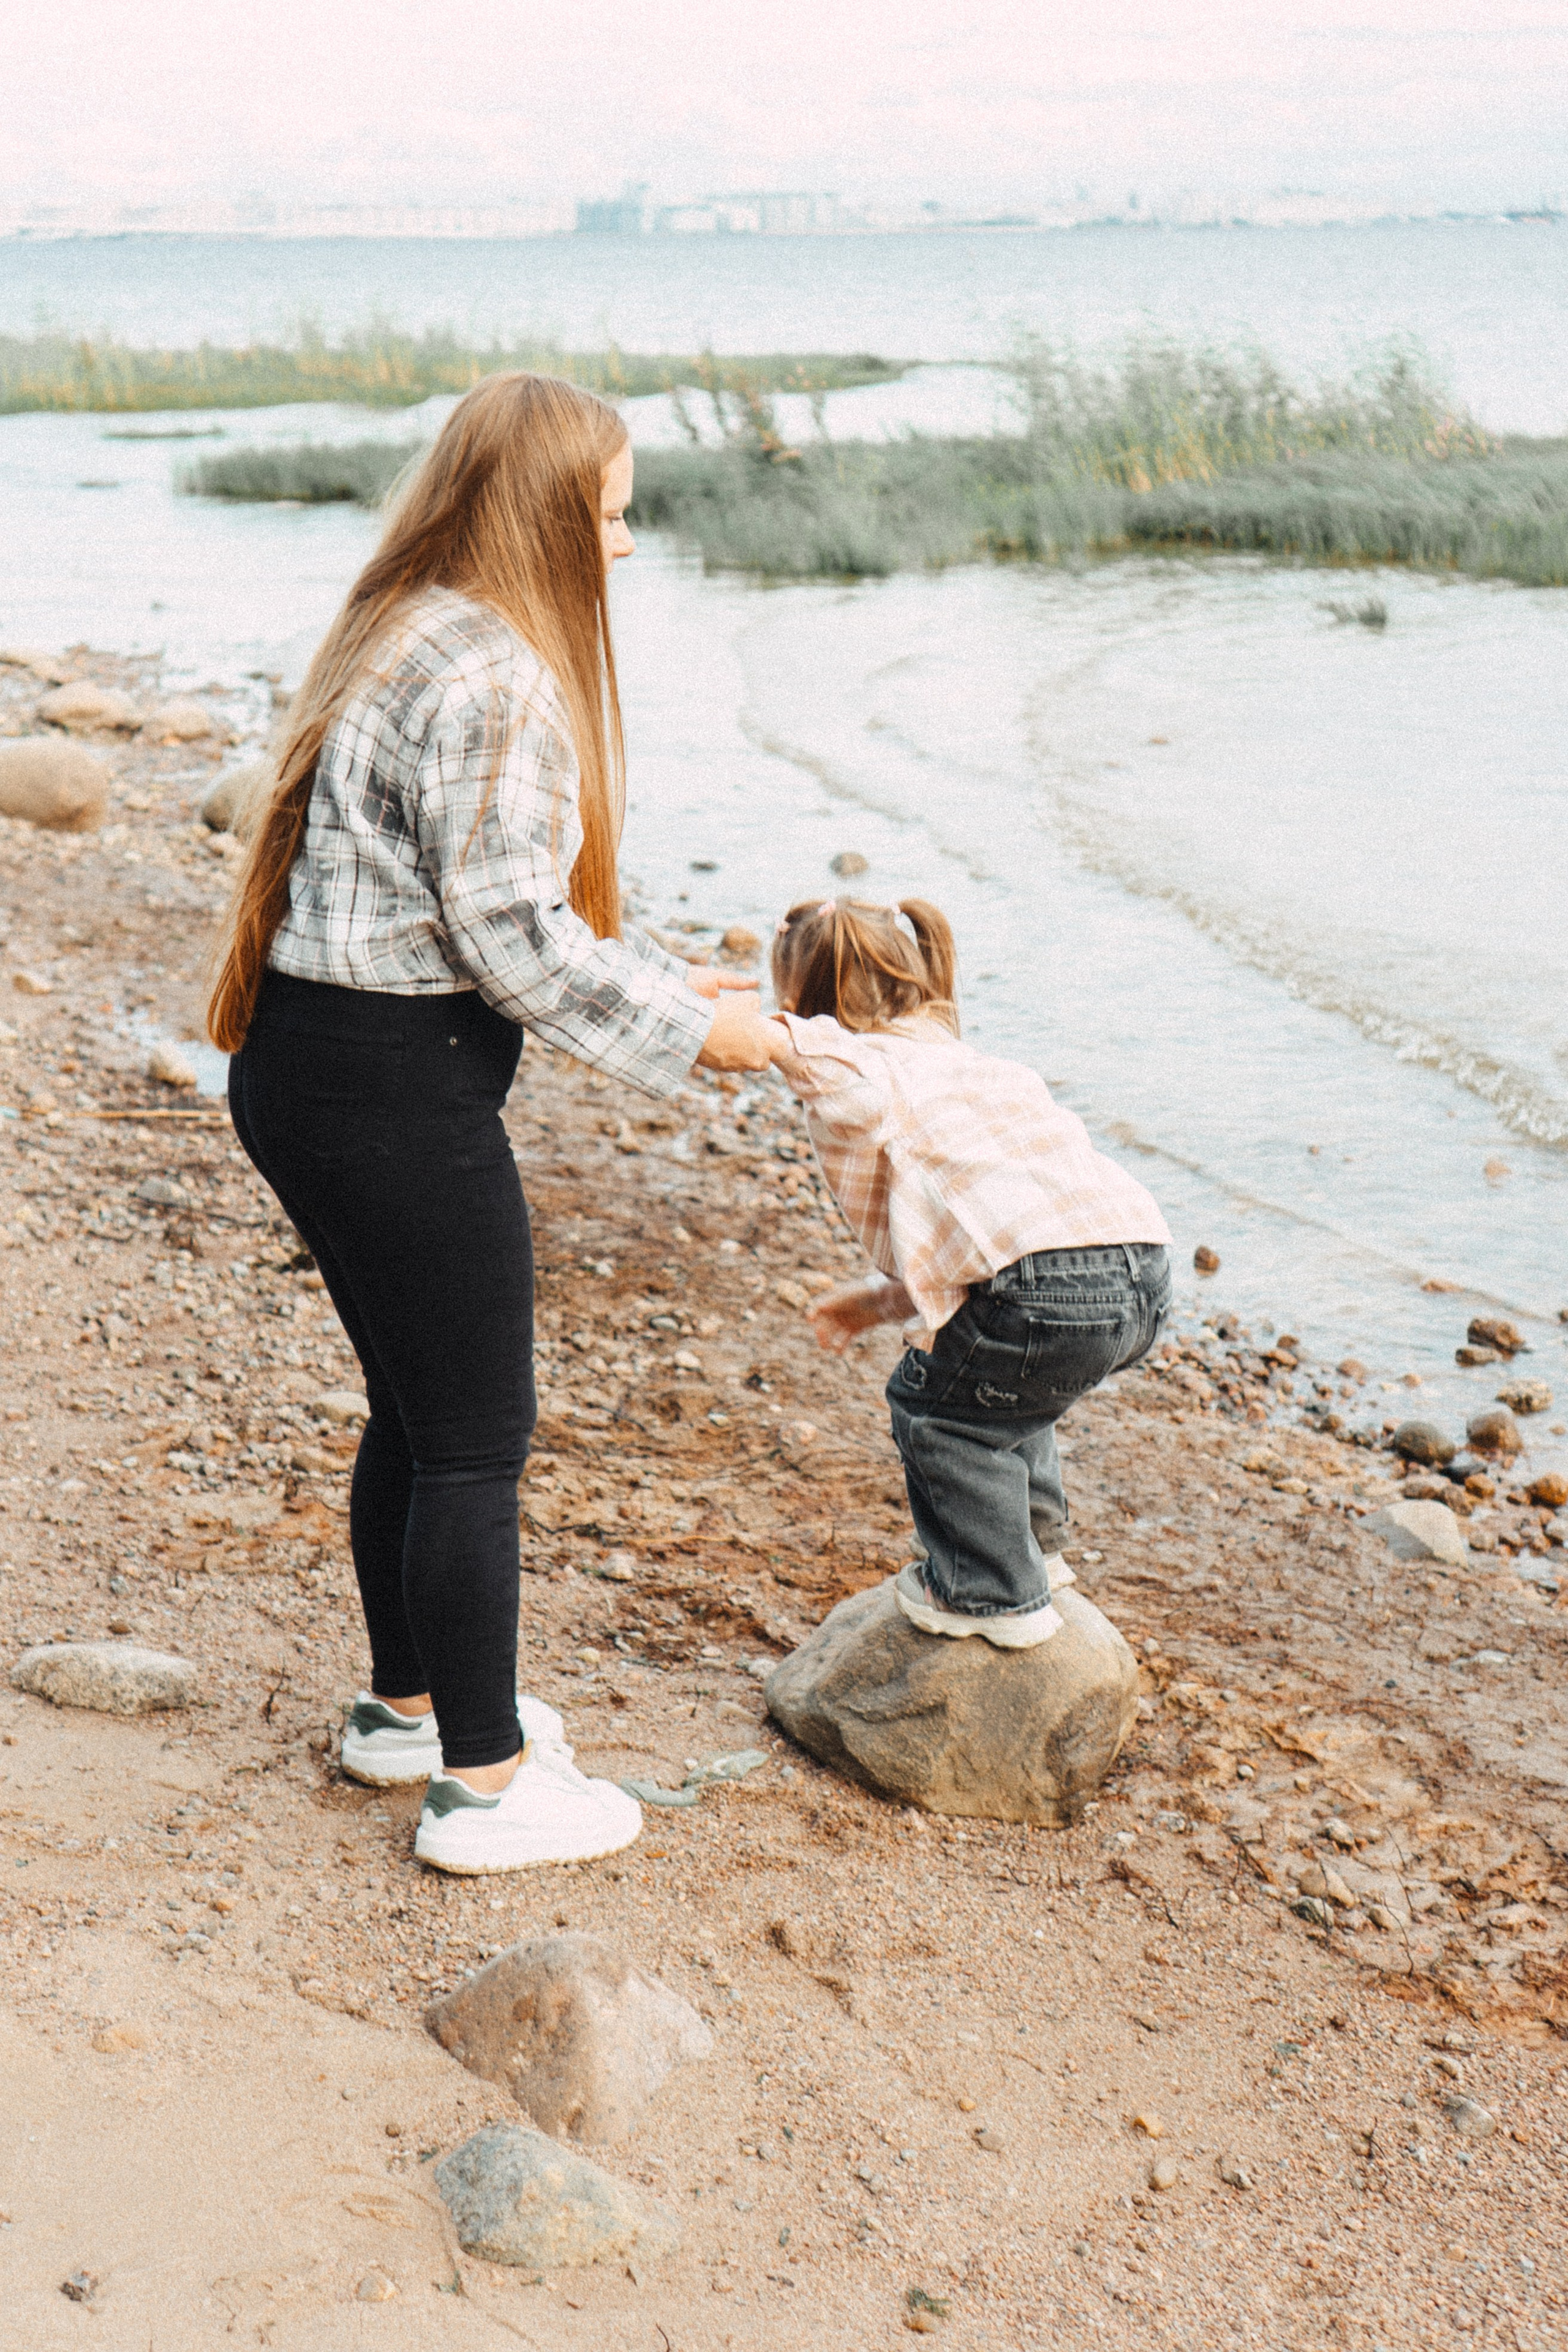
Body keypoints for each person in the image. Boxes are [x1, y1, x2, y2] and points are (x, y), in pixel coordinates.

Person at [208, 372, 772, 1875]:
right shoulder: (496, 676)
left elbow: (481, 899)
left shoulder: (406, 623)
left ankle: (407, 1710)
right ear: (544, 514)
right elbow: (511, 935)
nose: (629, 548)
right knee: (473, 1437)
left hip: (308, 1067)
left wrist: (660, 969)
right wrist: (695, 1033)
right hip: (389, 1093)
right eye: (615, 515)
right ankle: (484, 1785)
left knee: (416, 1405)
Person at [764, 895, 1172, 1646]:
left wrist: (769, 1030)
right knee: (1000, 1393)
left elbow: (823, 1057)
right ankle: (1037, 1552)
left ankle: (991, 1593)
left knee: (939, 1414)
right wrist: (878, 1304)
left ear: (799, 1001)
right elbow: (984, 1240)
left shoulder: (855, 1070)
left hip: (1041, 1290)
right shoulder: (979, 1064)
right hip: (1143, 1268)